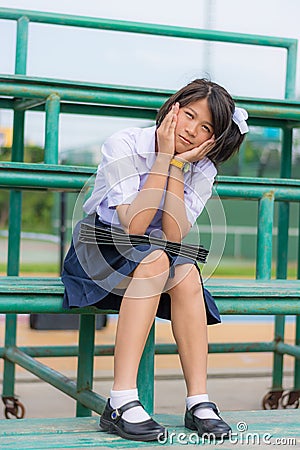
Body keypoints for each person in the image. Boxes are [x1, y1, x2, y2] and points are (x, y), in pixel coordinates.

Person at [62, 78, 248, 442]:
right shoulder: (125, 144)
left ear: (213, 138)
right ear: (172, 109)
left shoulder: (203, 169)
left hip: (156, 252)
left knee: (186, 273)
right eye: (189, 116)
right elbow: (135, 223)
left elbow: (175, 234)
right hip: (102, 248)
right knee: (157, 261)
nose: (192, 130)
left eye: (205, 127)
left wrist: (177, 166)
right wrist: (164, 157)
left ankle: (199, 401)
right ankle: (121, 400)